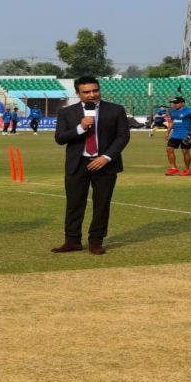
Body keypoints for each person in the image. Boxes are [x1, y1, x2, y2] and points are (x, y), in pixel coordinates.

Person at [53, 76, 130, 255]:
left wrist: (106, 157)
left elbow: (123, 136)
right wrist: (80, 127)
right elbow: (60, 138)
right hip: (77, 164)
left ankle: (96, 241)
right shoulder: (67, 112)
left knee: (101, 204)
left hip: (105, 164)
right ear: (78, 93)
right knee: (74, 204)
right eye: (86, 92)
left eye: (95, 90)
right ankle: (72, 241)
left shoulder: (115, 110)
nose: (92, 95)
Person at [164, 96, 191, 176]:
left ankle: (187, 170)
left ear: (182, 103)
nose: (174, 104)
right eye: (173, 103)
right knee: (169, 149)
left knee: (185, 151)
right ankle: (174, 168)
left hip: (187, 135)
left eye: (176, 103)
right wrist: (167, 132)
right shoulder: (172, 111)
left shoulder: (190, 111)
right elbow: (172, 122)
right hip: (175, 134)